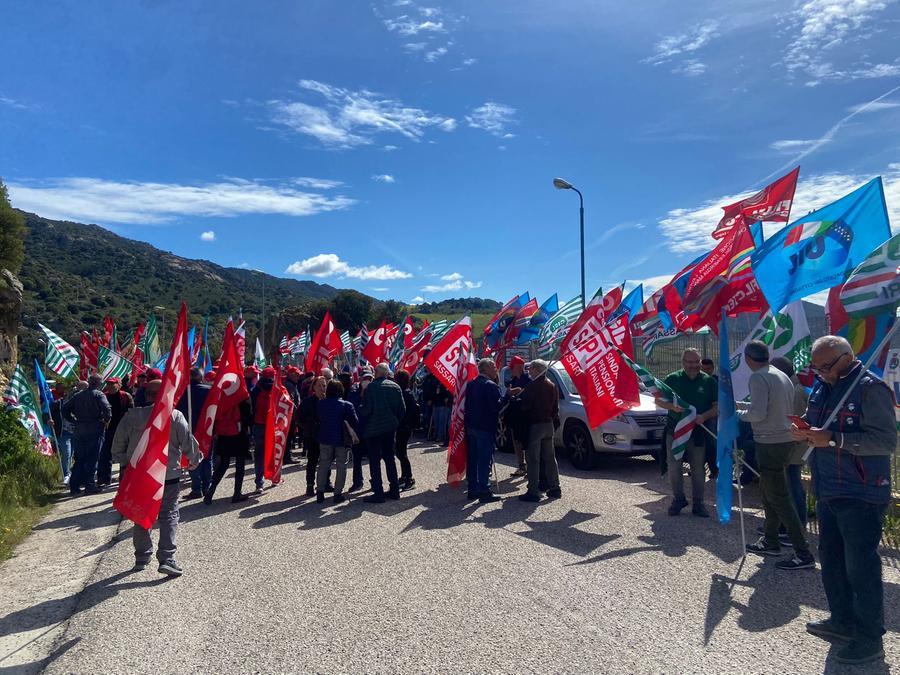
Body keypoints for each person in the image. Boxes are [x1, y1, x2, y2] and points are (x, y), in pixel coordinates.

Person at [792, 336, 897, 665]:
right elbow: (820, 426)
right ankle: (841, 620)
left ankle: (869, 639)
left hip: (861, 491)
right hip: (828, 486)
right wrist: (807, 429)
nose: (820, 373)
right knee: (832, 561)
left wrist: (834, 439)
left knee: (861, 568)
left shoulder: (870, 388)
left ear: (847, 357)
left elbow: (884, 442)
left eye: (826, 366)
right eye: (817, 367)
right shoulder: (823, 387)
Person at [111, 379, 201, 576]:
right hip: (168, 475)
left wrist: (127, 464)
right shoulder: (175, 416)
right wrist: (195, 459)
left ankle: (142, 557)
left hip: (140, 476)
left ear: (147, 394)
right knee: (168, 515)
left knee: (141, 514)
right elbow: (187, 442)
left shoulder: (131, 417)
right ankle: (167, 558)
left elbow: (117, 448)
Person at [737, 341, 814, 569]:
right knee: (768, 492)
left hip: (770, 441)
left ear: (748, 359)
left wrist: (736, 413)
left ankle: (802, 551)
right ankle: (770, 540)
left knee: (779, 497)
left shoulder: (759, 377)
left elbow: (758, 414)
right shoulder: (780, 375)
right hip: (783, 439)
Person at [656, 348, 717, 517]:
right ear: (683, 363)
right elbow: (658, 400)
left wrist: (703, 417)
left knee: (698, 470)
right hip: (675, 432)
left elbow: (717, 407)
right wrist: (670, 406)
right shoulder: (672, 379)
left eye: (696, 362)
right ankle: (679, 499)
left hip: (697, 433)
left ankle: (698, 504)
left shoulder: (709, 381)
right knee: (674, 468)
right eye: (689, 362)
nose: (693, 366)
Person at [772, 355, 810, 528]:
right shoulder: (792, 388)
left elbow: (793, 421)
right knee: (789, 485)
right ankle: (788, 524)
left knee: (791, 486)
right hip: (792, 444)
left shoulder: (794, 391)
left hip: (793, 445)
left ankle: (796, 525)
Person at [361, 363, 406, 504]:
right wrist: (395, 422)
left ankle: (378, 493)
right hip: (389, 429)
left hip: (374, 430)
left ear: (377, 373)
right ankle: (394, 490)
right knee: (389, 459)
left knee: (375, 462)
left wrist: (360, 407)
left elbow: (367, 410)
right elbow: (402, 409)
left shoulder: (372, 387)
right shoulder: (395, 387)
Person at [518, 359, 561, 502]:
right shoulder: (552, 385)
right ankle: (555, 488)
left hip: (536, 425)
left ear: (537, 369)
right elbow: (556, 407)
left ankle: (533, 491)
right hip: (548, 424)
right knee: (550, 458)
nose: (528, 371)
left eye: (530, 368)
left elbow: (525, 407)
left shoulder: (533, 386)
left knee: (533, 459)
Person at [62, 374, 112, 496]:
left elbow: (64, 409)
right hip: (95, 428)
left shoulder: (78, 395)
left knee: (79, 459)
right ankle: (89, 485)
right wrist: (105, 421)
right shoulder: (99, 394)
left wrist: (73, 420)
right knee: (92, 458)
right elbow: (107, 410)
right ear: (99, 383)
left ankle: (74, 487)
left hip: (79, 429)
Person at [315, 379, 360, 504]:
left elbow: (318, 417)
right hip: (341, 439)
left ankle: (319, 491)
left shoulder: (320, 404)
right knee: (341, 465)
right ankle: (337, 493)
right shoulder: (347, 405)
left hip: (324, 437)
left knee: (323, 464)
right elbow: (355, 422)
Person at [465, 358, 502, 503]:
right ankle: (484, 490)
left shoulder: (471, 384)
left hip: (472, 426)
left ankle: (472, 489)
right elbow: (496, 407)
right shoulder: (490, 386)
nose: (496, 369)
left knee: (473, 459)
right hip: (485, 427)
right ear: (485, 369)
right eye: (493, 367)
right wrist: (508, 398)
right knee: (484, 460)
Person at [204, 398, 253, 504]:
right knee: (240, 466)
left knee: (223, 465)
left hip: (224, 436)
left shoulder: (222, 398)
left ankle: (210, 492)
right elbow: (249, 418)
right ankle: (237, 493)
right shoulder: (243, 399)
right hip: (239, 435)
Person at [177, 368, 212, 499]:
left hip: (188, 429)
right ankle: (206, 487)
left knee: (192, 458)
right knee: (207, 458)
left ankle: (197, 488)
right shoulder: (209, 391)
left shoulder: (182, 392)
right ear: (201, 377)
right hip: (206, 429)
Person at [96, 377, 134, 487]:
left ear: (119, 384)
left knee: (126, 454)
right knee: (104, 454)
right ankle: (104, 479)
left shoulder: (126, 396)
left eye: (113, 384)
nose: (110, 386)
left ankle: (126, 477)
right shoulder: (104, 396)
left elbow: (132, 410)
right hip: (108, 429)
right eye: (108, 384)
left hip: (124, 429)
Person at [298, 376, 327, 496]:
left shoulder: (329, 401)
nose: (322, 388)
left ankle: (326, 483)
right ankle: (310, 485)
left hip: (326, 435)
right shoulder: (308, 401)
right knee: (312, 461)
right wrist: (309, 425)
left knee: (326, 461)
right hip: (312, 435)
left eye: (324, 385)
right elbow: (299, 418)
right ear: (313, 387)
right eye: (319, 385)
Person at [503, 355, 531, 477]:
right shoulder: (512, 381)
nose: (511, 370)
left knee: (527, 443)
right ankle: (521, 466)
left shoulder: (528, 381)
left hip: (525, 418)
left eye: (512, 367)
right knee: (516, 442)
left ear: (519, 367)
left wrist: (520, 394)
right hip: (515, 417)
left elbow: (530, 399)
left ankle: (531, 468)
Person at [249, 366, 276, 495]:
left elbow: (250, 408)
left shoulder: (255, 390)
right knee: (274, 452)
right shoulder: (278, 389)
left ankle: (259, 483)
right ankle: (274, 477)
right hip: (273, 425)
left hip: (258, 425)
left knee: (259, 454)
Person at [393, 369, 420, 491]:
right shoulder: (403, 392)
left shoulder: (406, 393)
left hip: (404, 427)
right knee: (400, 452)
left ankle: (409, 478)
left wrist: (406, 422)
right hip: (402, 426)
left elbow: (411, 411)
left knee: (401, 453)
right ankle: (404, 476)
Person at [346, 368, 373, 491]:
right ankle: (357, 482)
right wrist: (361, 394)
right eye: (365, 378)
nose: (367, 381)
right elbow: (351, 406)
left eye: (369, 378)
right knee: (356, 458)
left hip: (370, 430)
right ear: (360, 379)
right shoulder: (354, 390)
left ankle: (375, 481)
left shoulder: (375, 390)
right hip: (357, 430)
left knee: (373, 458)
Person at [50, 381, 80, 485]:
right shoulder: (58, 403)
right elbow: (47, 413)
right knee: (66, 453)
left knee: (73, 454)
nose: (74, 394)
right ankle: (66, 474)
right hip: (63, 432)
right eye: (72, 392)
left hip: (77, 432)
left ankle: (73, 473)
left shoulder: (79, 403)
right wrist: (48, 420)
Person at [283, 367, 302, 463]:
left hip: (290, 416)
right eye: (297, 374)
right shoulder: (289, 385)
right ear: (291, 375)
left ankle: (287, 456)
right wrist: (298, 413)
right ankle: (287, 457)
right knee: (288, 437)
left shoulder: (291, 384)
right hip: (289, 416)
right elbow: (290, 401)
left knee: (289, 437)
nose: (298, 377)